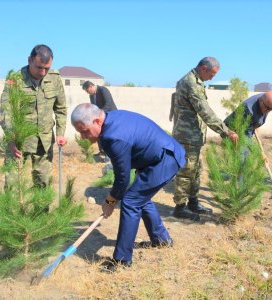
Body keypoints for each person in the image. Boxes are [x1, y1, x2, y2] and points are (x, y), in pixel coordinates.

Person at [71, 103, 185, 272]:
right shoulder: (110, 119)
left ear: (97, 121)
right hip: (156, 157)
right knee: (139, 197)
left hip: (164, 159)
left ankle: (122, 260)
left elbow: (122, 178)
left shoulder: (113, 137)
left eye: (85, 131)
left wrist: (110, 201)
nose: (83, 137)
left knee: (131, 201)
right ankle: (161, 240)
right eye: (80, 132)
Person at [172, 57, 238, 220]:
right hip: (187, 135)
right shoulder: (191, 83)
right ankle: (180, 207)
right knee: (186, 171)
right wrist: (225, 132)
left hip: (194, 135)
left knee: (195, 170)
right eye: (212, 74)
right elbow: (204, 111)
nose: (213, 77)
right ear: (203, 68)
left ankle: (193, 203)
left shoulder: (196, 80)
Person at [0, 44, 67, 188]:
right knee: (13, 183)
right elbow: (7, 112)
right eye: (39, 67)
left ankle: (42, 211)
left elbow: (61, 109)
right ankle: (13, 211)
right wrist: (11, 139)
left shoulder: (55, 79)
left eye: (47, 68)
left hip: (44, 141)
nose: (43, 72)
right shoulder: (15, 79)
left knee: (43, 183)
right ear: (30, 60)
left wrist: (60, 133)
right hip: (19, 141)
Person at [82, 80, 117, 162]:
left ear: (91, 86)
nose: (87, 93)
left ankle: (110, 156)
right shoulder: (91, 96)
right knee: (98, 134)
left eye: (87, 90)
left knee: (108, 136)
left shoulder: (103, 90)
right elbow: (94, 108)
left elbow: (108, 104)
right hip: (101, 117)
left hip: (110, 116)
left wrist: (99, 114)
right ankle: (102, 152)